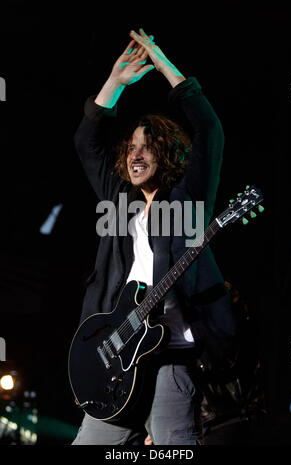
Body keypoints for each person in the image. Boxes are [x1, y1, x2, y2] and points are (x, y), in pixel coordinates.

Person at [71, 28, 236, 445]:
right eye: (130, 148)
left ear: (166, 154)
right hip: (117, 361)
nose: (136, 154)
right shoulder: (119, 199)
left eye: (148, 147)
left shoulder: (187, 199)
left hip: (170, 358)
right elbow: (86, 143)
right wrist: (114, 82)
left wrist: (162, 62)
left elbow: (210, 130)